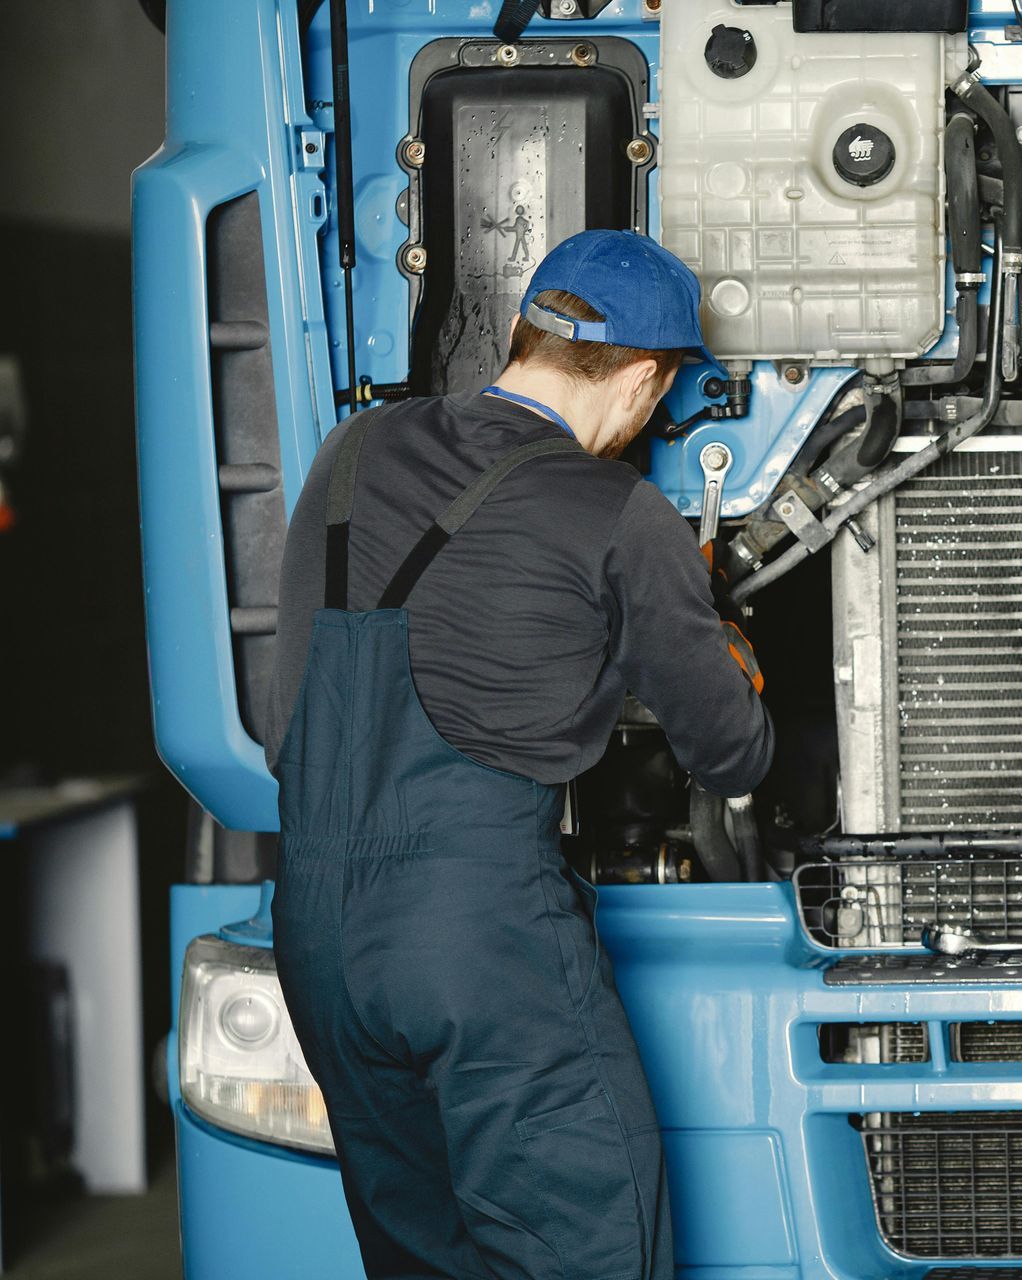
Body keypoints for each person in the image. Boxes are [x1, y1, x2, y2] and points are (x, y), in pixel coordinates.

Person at [261, 229, 773, 1279]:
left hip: (315, 932)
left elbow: (289, 712)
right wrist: (714, 644)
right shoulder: (620, 512)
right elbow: (733, 752)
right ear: (643, 377)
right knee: (585, 1248)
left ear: (518, 334)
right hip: (477, 940)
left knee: (423, 1258)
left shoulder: (351, 450)